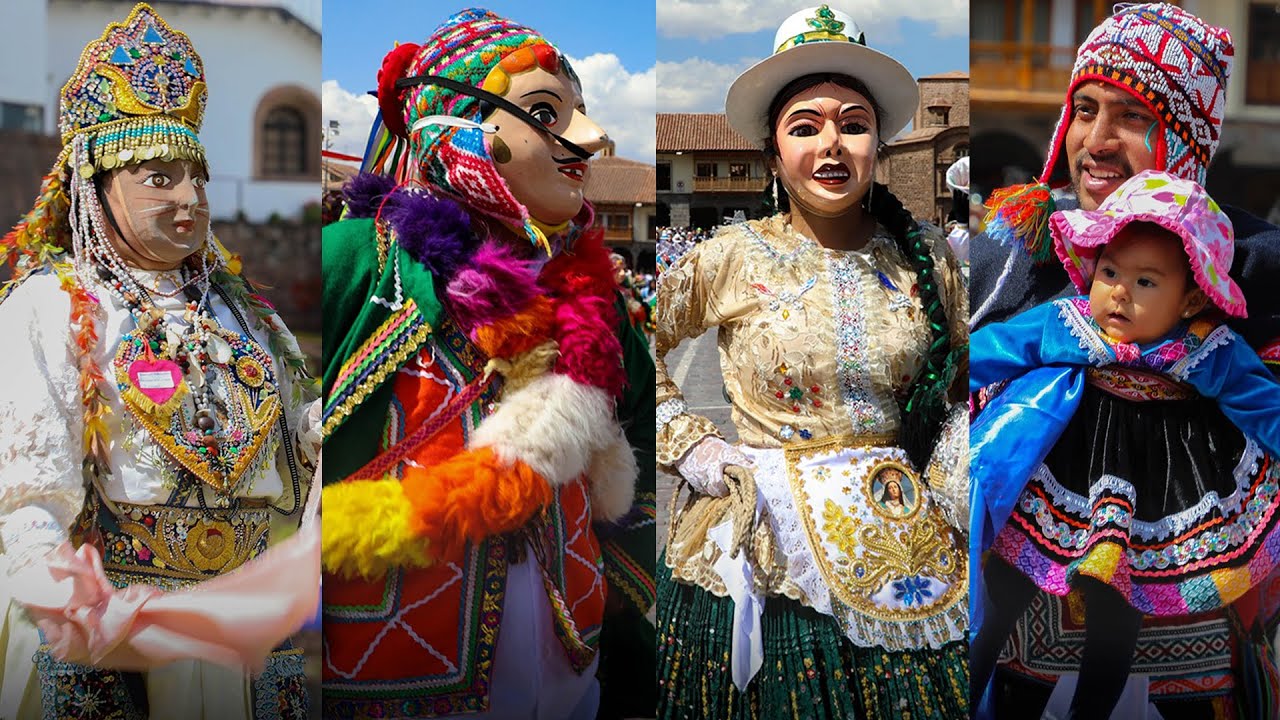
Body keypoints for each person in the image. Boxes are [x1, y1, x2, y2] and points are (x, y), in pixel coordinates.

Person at [319, 8, 656, 720]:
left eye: (583, 114)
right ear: (460, 129)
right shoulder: (354, 264)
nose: (591, 140)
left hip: (577, 671)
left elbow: (642, 465)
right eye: (545, 112)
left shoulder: (593, 301)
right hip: (385, 683)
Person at [0, 4, 321, 717]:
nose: (189, 199)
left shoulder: (249, 314)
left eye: (196, 178)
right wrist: (64, 597)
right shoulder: (51, 308)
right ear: (95, 186)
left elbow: (309, 434)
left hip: (240, 641)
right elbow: (27, 499)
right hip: (112, 638)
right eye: (157, 177)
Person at [655, 6, 970, 717]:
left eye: (853, 124)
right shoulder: (728, 256)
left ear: (878, 145)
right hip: (768, 546)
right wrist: (693, 445)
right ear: (772, 154)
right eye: (805, 128)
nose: (832, 145)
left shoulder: (930, 267)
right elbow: (627, 342)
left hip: (910, 540)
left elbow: (965, 387)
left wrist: (956, 465)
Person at [968, 5, 1280, 715]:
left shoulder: (1260, 275)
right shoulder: (1013, 252)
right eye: (1083, 110)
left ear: (1188, 141)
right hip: (1022, 653)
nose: (1096, 142)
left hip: (1197, 665)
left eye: (1133, 116)